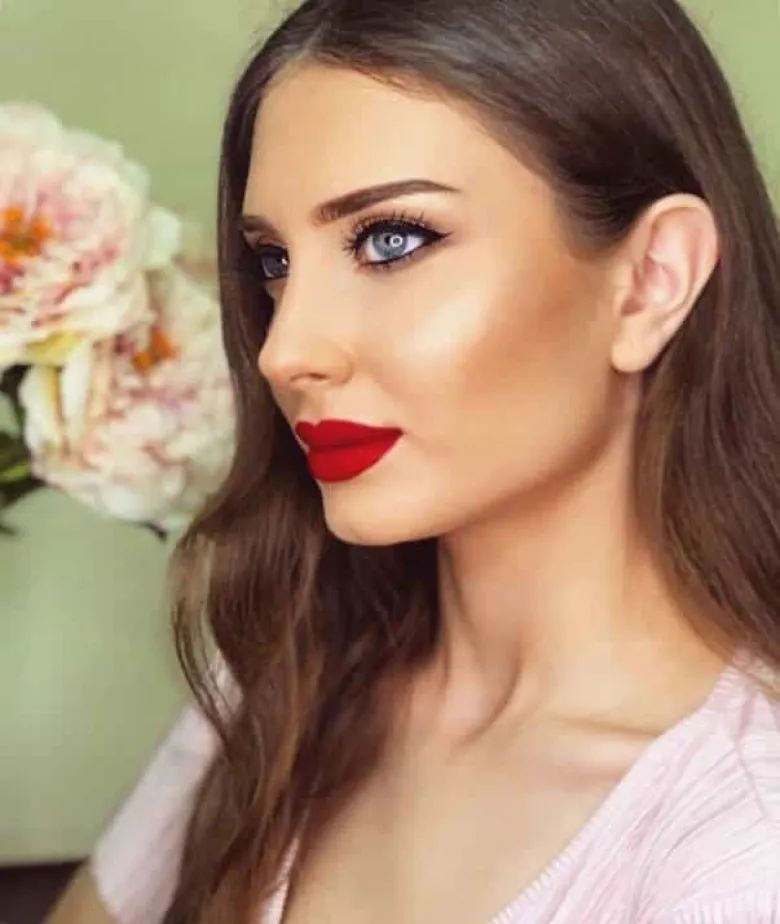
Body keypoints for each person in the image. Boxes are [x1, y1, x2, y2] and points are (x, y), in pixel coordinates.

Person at [48, 0, 780, 921]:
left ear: (650, 281)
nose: (285, 351)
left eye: (391, 240)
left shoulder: (744, 846)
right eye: (274, 262)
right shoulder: (279, 687)